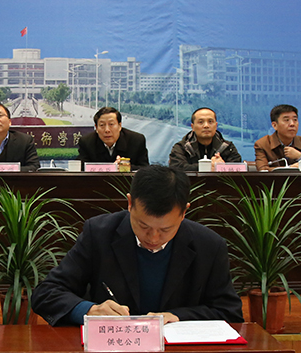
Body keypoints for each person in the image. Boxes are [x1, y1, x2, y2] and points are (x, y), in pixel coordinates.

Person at [31, 165, 243, 327]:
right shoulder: (100, 233)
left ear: (184, 212)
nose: (153, 237)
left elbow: (229, 312)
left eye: (166, 229)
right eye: (143, 226)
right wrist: (89, 310)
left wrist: (179, 317)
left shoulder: (208, 245)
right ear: (130, 203)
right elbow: (46, 293)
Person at [169, 107, 241, 171]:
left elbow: (237, 168)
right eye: (201, 122)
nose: (206, 126)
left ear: (216, 126)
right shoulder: (181, 147)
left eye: (210, 122)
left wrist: (222, 167)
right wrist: (208, 166)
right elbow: (176, 169)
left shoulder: (228, 147)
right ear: (192, 127)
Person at [76, 107, 148, 170]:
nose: (107, 130)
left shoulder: (136, 141)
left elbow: (145, 169)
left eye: (111, 124)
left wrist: (126, 167)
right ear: (96, 128)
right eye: (102, 125)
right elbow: (80, 168)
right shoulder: (87, 142)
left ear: (119, 126)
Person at [254, 104, 301, 171]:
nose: (292, 124)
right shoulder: (262, 144)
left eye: (295, 120)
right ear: (274, 125)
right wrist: (289, 168)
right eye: (286, 120)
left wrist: (299, 156)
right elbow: (263, 170)